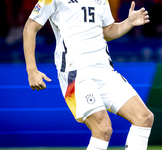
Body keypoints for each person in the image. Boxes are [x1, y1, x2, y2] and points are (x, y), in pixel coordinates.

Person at [23, 0, 154, 149]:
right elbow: (30, 27)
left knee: (144, 117)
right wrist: (31, 69)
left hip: (104, 69)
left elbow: (108, 31)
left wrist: (128, 22)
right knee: (102, 128)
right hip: (76, 71)